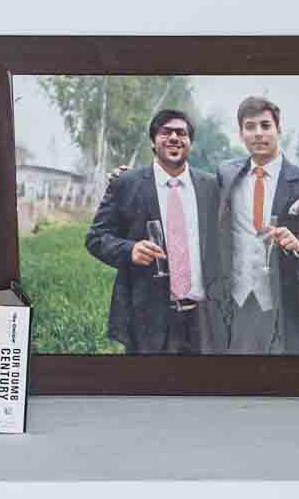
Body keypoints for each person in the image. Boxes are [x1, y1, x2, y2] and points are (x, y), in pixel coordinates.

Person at [210, 95, 299, 356]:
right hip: (235, 305)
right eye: (250, 127)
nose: (258, 133)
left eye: (265, 125)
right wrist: (125, 180)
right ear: (241, 133)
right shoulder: (226, 173)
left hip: (285, 308)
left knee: (288, 378)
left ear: (279, 129)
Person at [85, 108, 211, 354]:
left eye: (181, 133)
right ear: (153, 141)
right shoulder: (126, 184)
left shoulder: (210, 186)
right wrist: (129, 250)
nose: (174, 137)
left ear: (190, 142)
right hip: (146, 319)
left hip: (202, 321)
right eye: (166, 132)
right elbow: (96, 238)